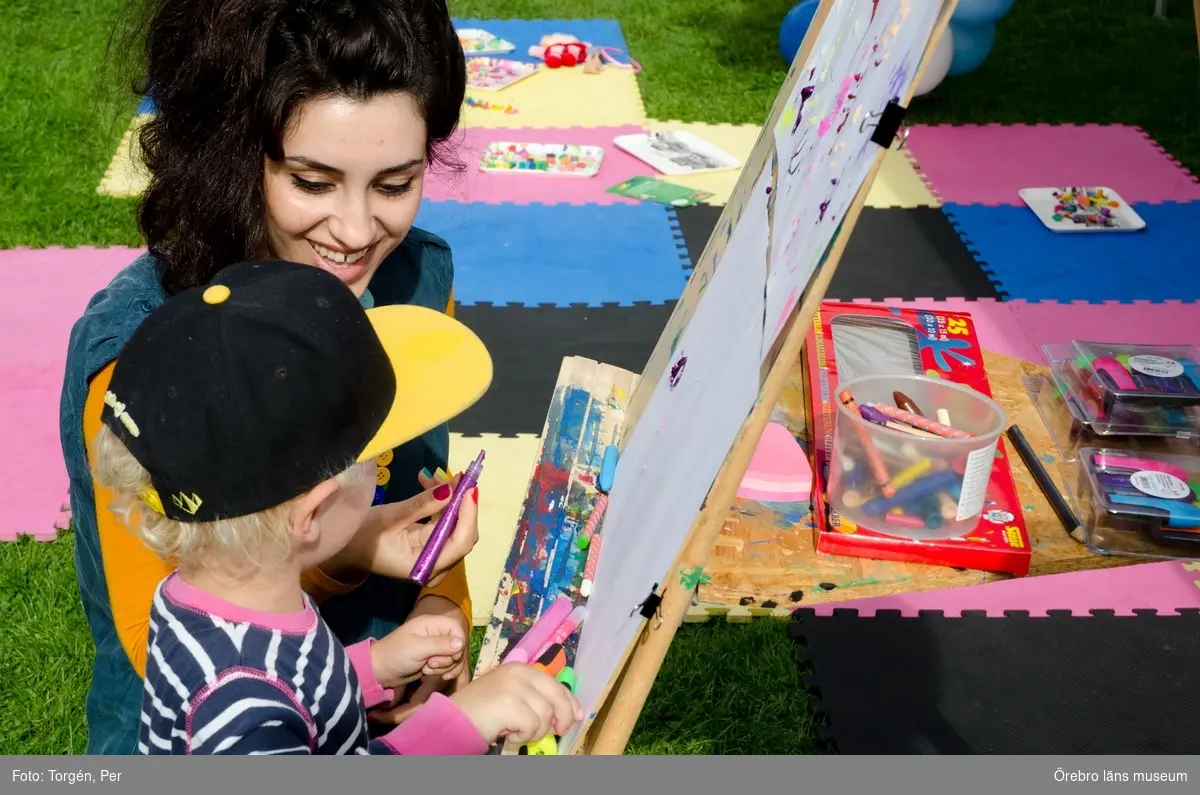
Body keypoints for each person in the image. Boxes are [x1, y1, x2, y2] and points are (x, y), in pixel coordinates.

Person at [61, 0, 477, 754]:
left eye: (395, 183)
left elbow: (424, 476)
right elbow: (170, 656)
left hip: (363, 695)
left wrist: (441, 611)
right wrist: (350, 555)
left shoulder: (415, 276)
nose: (356, 233)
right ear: (232, 152)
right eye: (313, 182)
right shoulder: (149, 353)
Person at [91, 260, 581, 754]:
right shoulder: (238, 707)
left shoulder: (207, 602)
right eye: (376, 457)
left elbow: (288, 681)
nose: (381, 466)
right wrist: (466, 722)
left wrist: (374, 667)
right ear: (314, 513)